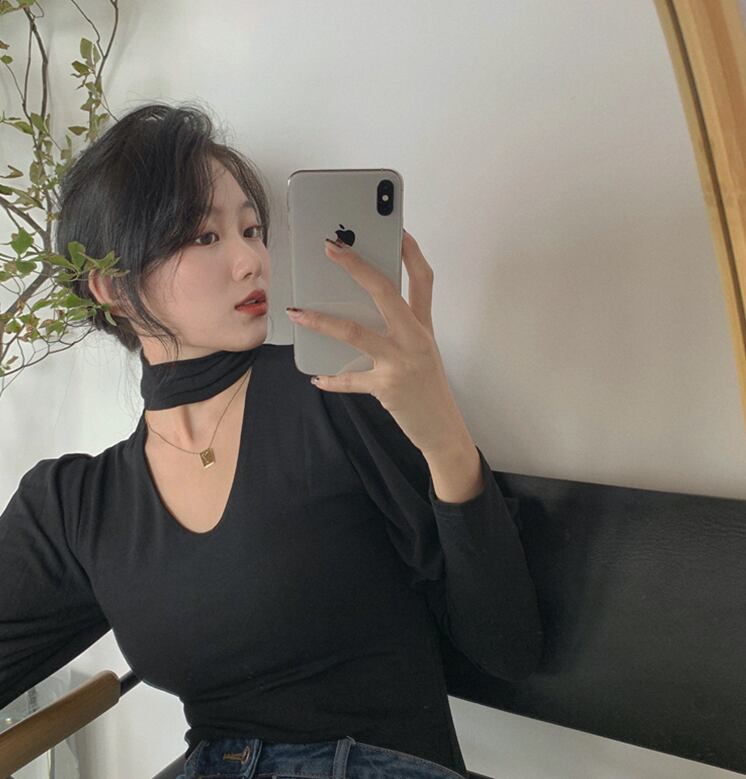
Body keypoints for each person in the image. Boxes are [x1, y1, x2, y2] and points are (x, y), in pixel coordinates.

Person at [0, 101, 543, 779]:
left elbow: (508, 647)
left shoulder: (336, 392)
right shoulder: (76, 506)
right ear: (114, 286)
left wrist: (444, 438)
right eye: (204, 236)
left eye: (252, 229)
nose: (251, 260)